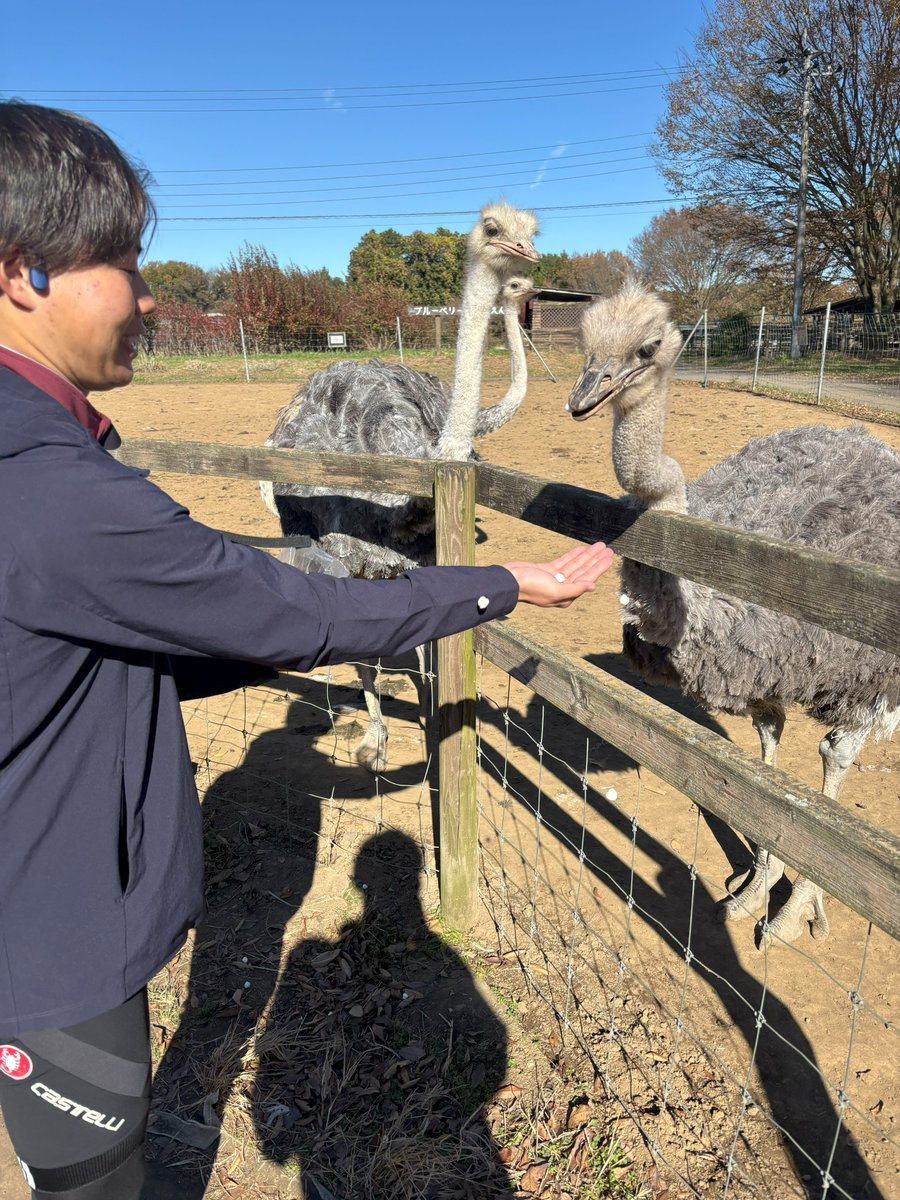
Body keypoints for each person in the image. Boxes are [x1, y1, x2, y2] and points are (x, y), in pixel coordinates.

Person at [0, 100, 614, 1200]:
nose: (147, 296)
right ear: (21, 273)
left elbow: (140, 646)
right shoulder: (50, 494)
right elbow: (296, 606)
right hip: (45, 934)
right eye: (121, 263)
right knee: (93, 1178)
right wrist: (497, 582)